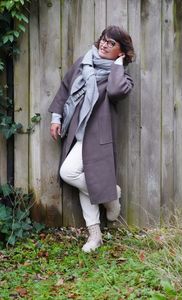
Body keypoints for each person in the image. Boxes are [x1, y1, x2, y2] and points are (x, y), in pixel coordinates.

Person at [49, 25, 134, 253]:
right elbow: (65, 89)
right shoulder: (84, 63)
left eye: (112, 43)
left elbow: (115, 92)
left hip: (98, 138)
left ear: (121, 51)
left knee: (73, 175)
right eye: (104, 40)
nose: (105, 44)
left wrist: (117, 66)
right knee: (73, 174)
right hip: (77, 132)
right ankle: (107, 206)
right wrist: (56, 118)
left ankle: (98, 227)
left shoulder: (122, 78)